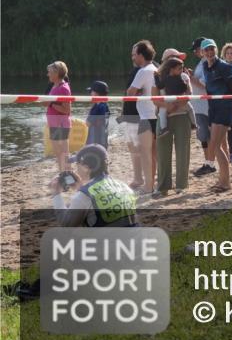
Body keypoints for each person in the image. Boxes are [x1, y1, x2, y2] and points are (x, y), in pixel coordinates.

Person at [48, 144, 137, 227]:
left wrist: (56, 195)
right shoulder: (124, 186)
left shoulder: (84, 195)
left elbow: (66, 223)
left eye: (77, 164)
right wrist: (80, 188)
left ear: (86, 168)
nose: (75, 167)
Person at [200, 38, 232, 192]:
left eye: (212, 49)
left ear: (216, 50)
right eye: (206, 50)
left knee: (214, 145)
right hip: (213, 108)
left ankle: (225, 182)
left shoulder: (223, 66)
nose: (209, 52)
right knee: (216, 145)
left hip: (224, 108)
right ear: (202, 52)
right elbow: (209, 88)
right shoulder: (205, 66)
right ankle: (223, 180)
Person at [151, 56, 192, 197]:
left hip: (182, 116)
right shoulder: (157, 78)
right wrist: (166, 106)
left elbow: (189, 95)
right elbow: (154, 98)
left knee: (183, 151)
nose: (180, 67)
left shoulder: (184, 76)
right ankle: (163, 186)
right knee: (162, 153)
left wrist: (176, 106)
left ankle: (181, 185)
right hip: (164, 117)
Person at [125, 42, 158, 194]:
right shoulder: (155, 69)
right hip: (156, 114)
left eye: (134, 54)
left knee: (145, 153)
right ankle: (152, 185)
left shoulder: (143, 71)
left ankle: (148, 186)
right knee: (153, 153)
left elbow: (130, 93)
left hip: (146, 116)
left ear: (140, 55)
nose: (133, 57)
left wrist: (136, 92)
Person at [188, 38, 216, 179]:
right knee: (204, 137)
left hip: (205, 106)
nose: (195, 53)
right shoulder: (202, 63)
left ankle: (209, 164)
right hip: (200, 106)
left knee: (208, 136)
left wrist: (191, 78)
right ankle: (208, 162)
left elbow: (205, 85)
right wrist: (193, 76)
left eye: (196, 50)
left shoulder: (208, 63)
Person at [45, 61, 73, 175]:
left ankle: (67, 175)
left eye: (49, 72)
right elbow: (50, 103)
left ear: (56, 73)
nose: (48, 74)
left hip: (61, 123)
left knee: (63, 152)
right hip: (54, 123)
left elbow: (66, 110)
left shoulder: (64, 88)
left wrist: (51, 103)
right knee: (58, 152)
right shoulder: (54, 86)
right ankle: (63, 174)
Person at [84, 81, 110, 149]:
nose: (90, 94)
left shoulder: (97, 107)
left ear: (96, 93)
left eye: (91, 92)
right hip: (103, 139)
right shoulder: (105, 106)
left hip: (95, 140)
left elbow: (88, 123)